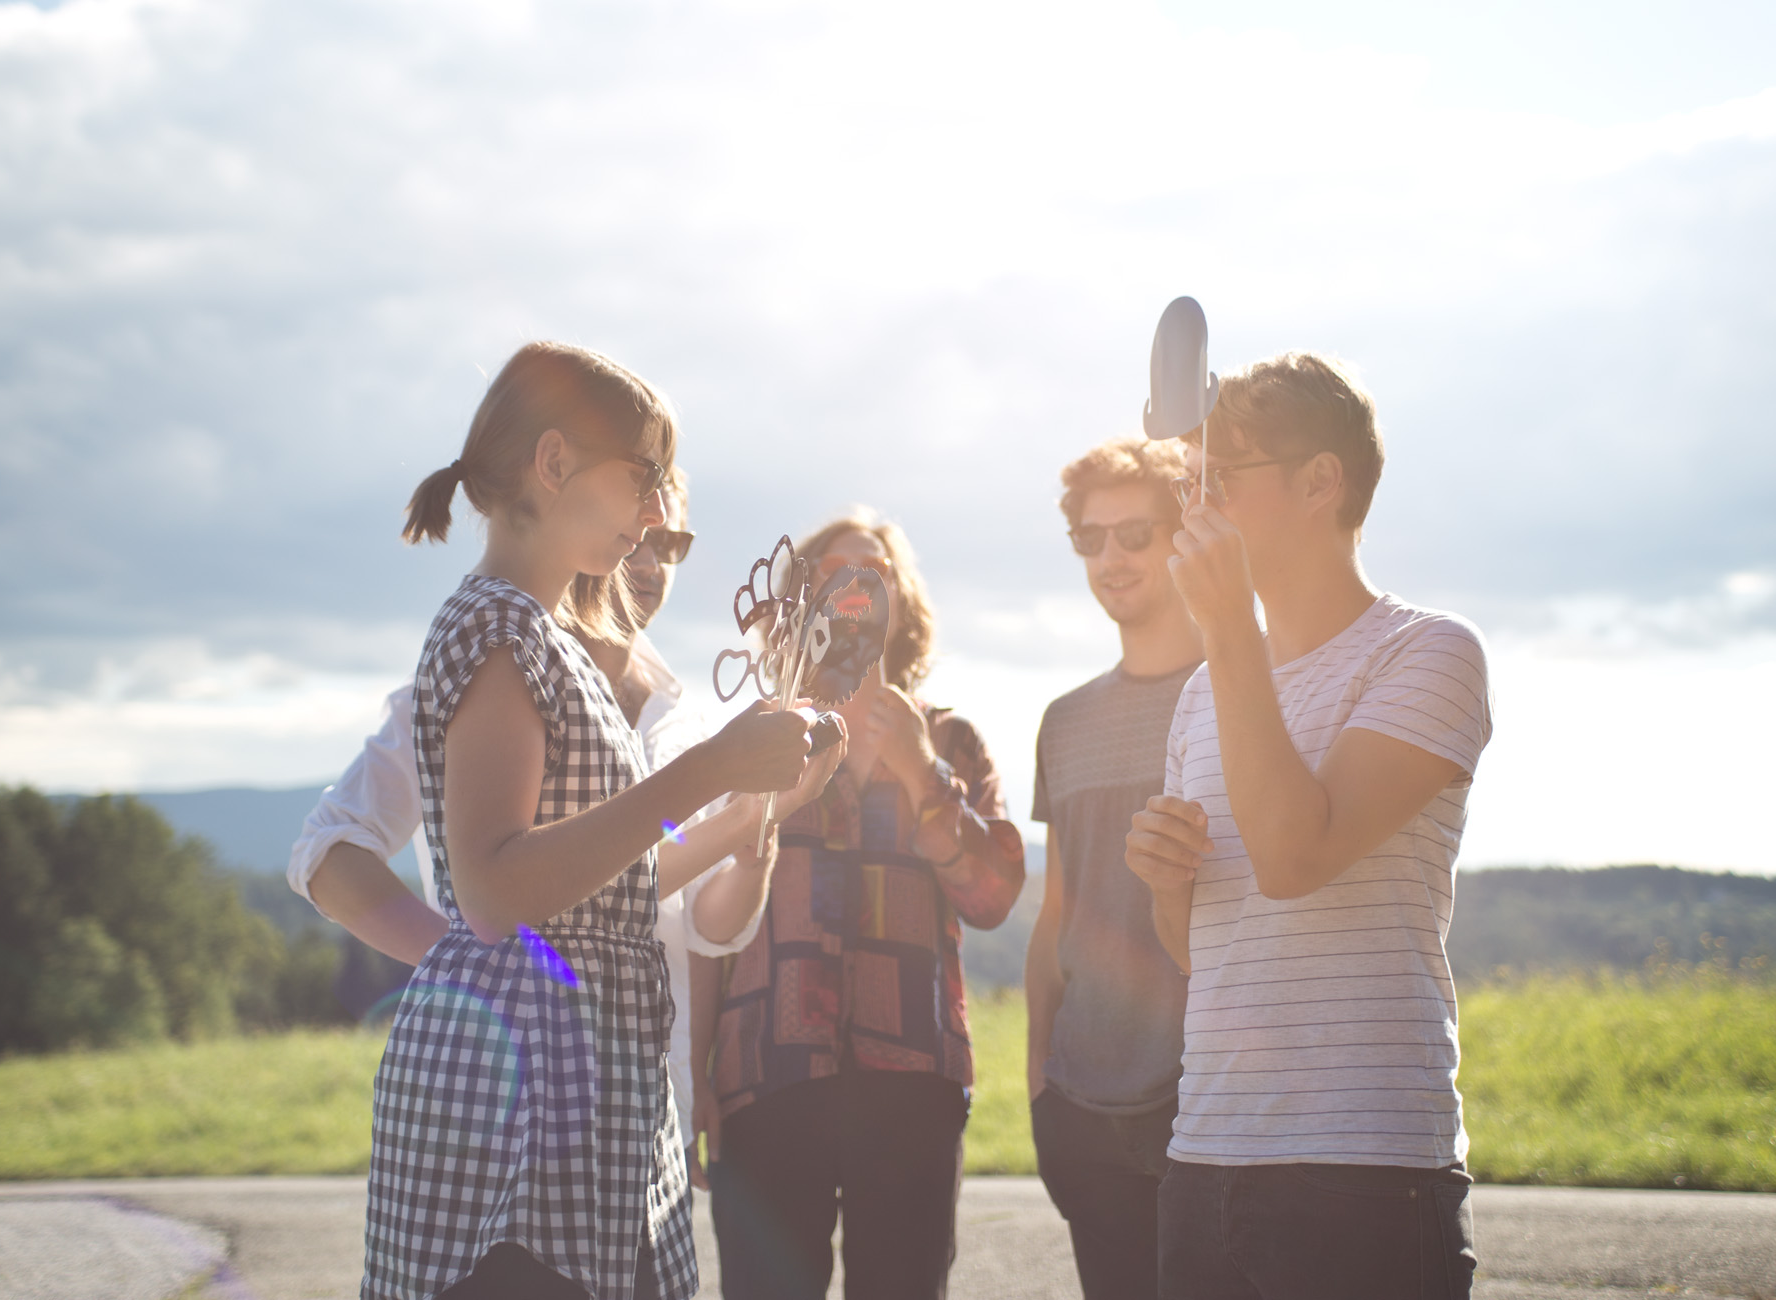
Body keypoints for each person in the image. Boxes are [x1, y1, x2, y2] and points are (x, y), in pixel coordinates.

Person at [361, 341, 832, 1300]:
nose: (658, 513)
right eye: (644, 480)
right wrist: (707, 767)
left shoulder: (544, 635)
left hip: (581, 1082)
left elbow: (599, 890)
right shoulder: (500, 629)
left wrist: (753, 805)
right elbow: (494, 891)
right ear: (554, 463)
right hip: (526, 1101)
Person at [288, 468, 814, 1190]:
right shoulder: (484, 676)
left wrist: (751, 822)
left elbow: (690, 920)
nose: (652, 562)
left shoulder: (684, 720)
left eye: (672, 542)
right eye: (637, 536)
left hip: (647, 1100)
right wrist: (466, 966)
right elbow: (326, 854)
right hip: (500, 1094)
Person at [1124, 354, 1492, 1300]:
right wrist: (1170, 886)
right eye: (1192, 485)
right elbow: (1203, 950)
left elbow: (1294, 856)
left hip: (1365, 1168)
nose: (1196, 511)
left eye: (1222, 481)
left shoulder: (1429, 653)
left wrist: (1228, 633)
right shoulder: (1206, 691)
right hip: (1205, 1153)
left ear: (1320, 480)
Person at [698, 510, 1028, 1300]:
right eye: (836, 571)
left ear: (901, 603)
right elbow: (706, 918)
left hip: (913, 1077)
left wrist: (921, 771)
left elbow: (992, 898)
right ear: (802, 604)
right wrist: (698, 1073)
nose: (857, 586)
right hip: (766, 1073)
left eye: (875, 571)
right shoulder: (753, 736)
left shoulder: (951, 741)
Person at [1027, 437, 1200, 1300]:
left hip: (1207, 1100)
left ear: (1185, 533)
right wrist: (1038, 1090)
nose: (1111, 557)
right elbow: (1055, 917)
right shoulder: (1063, 721)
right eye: (1091, 539)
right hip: (1082, 1109)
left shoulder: (1244, 693)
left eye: (1134, 533)